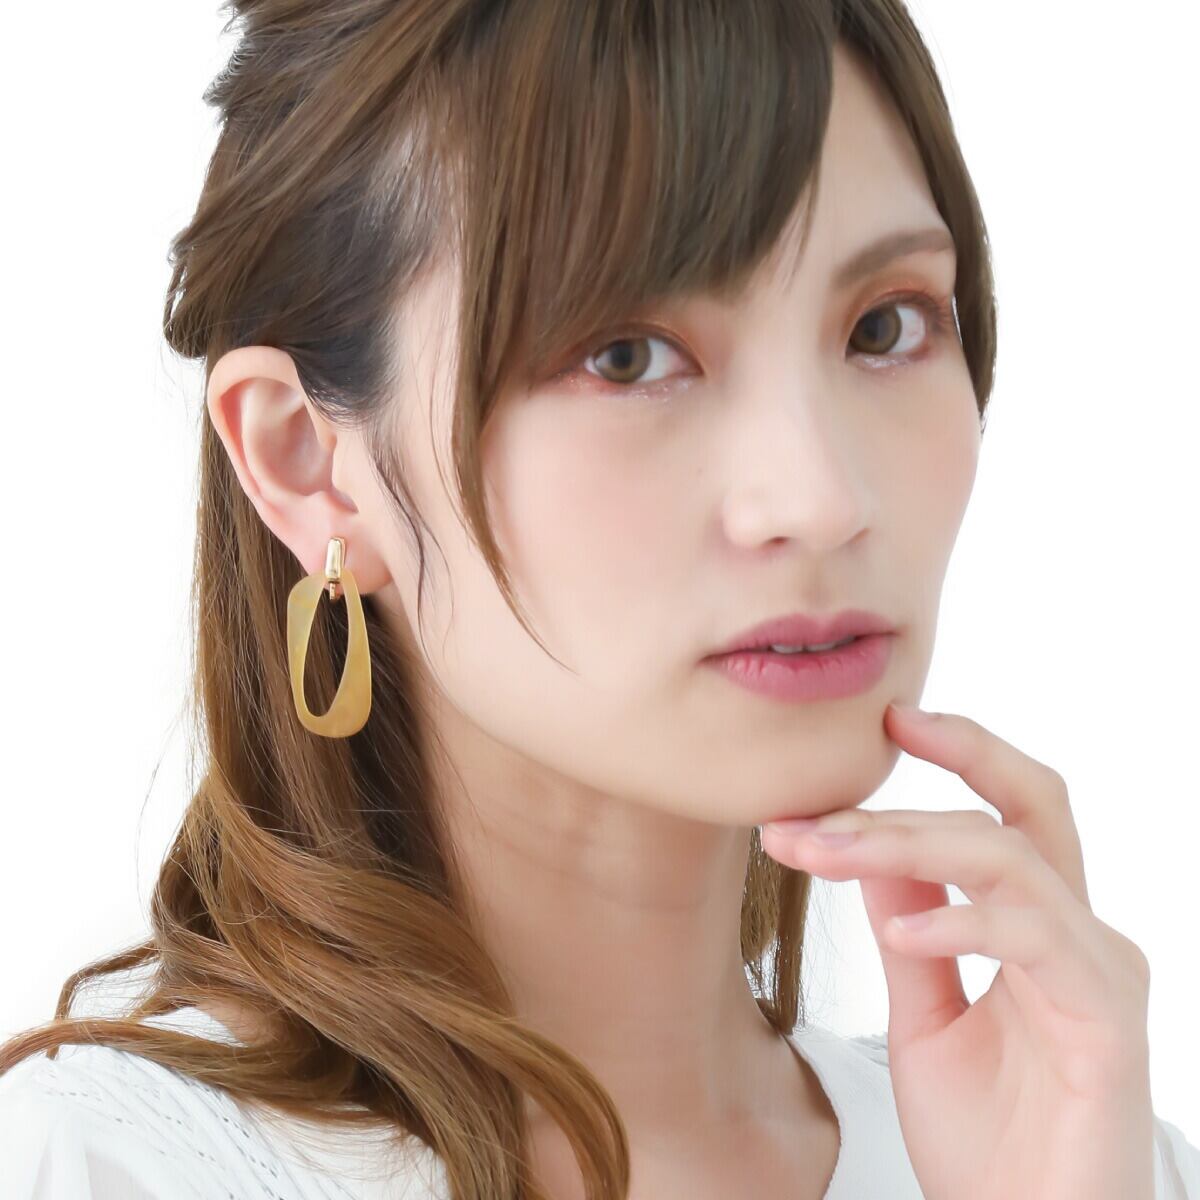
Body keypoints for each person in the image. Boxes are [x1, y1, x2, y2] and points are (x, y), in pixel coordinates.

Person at [2, 1, 1197, 1198]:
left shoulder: (1087, 1157)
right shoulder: (100, 1168)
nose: (822, 498)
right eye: (627, 356)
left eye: (884, 328)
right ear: (307, 464)